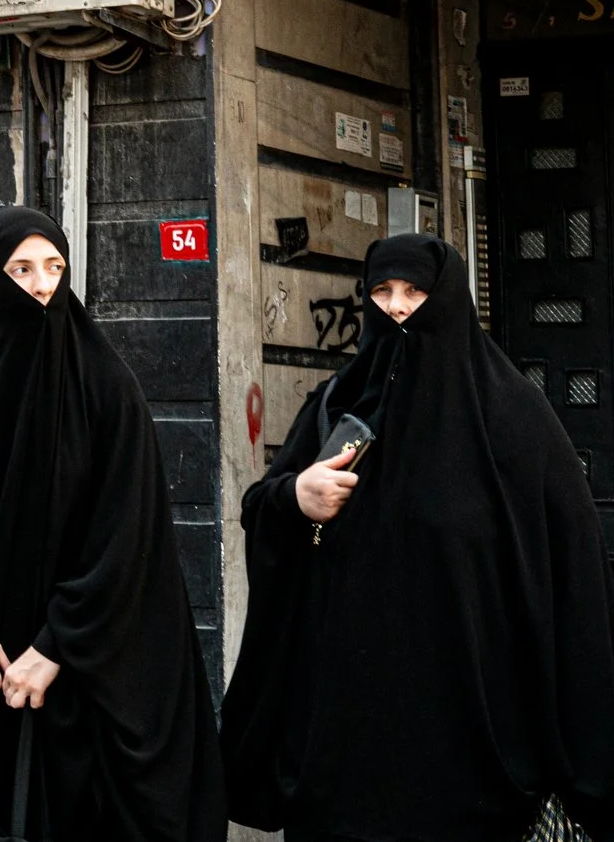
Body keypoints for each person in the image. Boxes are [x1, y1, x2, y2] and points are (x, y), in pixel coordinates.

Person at [221, 234, 614, 842]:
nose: (397, 306)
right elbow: (261, 510)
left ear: (448, 298)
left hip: (474, 755)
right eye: (381, 291)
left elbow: (574, 570)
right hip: (344, 752)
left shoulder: (513, 418)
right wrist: (296, 496)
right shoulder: (339, 403)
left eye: (415, 291)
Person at [0, 207, 225, 842]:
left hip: (76, 687)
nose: (41, 285)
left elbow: (127, 539)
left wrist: (55, 647)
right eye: (21, 269)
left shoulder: (106, 385)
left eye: (54, 267)